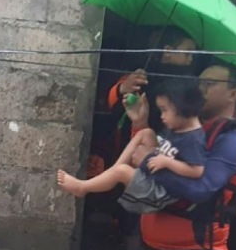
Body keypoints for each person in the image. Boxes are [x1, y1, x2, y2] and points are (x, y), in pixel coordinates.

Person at [122, 64, 236, 250]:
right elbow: (148, 167)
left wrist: (148, 163)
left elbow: (200, 191)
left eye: (209, 84)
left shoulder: (232, 142)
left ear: (233, 95)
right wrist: (139, 125)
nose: (200, 89)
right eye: (198, 83)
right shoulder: (182, 128)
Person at [58, 80, 207, 214]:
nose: (162, 116)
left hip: (160, 192)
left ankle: (83, 188)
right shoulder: (178, 127)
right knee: (146, 133)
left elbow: (197, 171)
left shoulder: (194, 139)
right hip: (156, 173)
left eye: (165, 110)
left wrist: (167, 162)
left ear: (182, 108)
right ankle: (112, 172)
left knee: (122, 171)